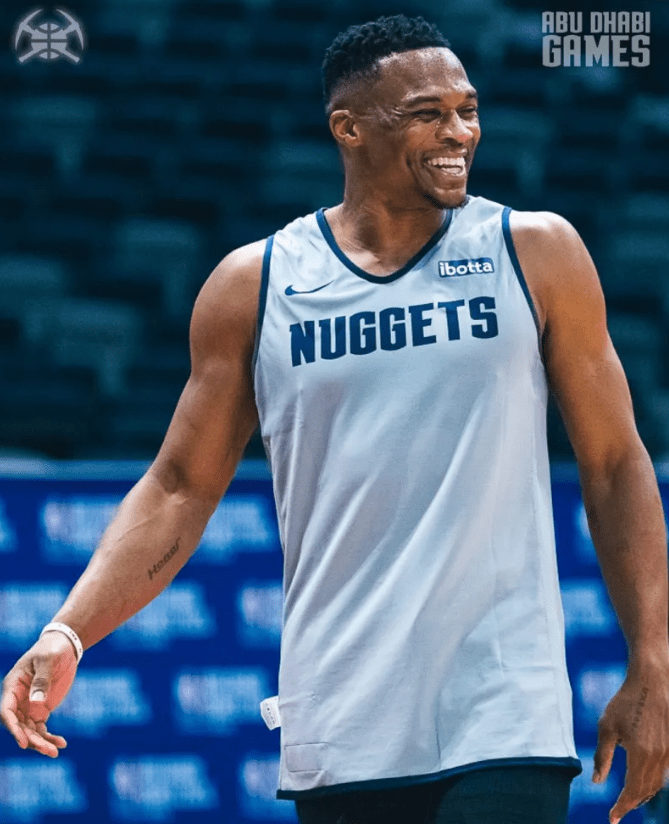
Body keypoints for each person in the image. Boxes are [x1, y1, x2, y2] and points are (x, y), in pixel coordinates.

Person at [2, 14, 669, 824]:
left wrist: (652, 660)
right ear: (347, 128)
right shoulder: (257, 283)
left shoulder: (534, 251)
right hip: (342, 717)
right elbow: (178, 488)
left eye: (467, 108)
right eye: (426, 113)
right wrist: (68, 632)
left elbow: (612, 463)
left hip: (503, 707)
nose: (458, 132)